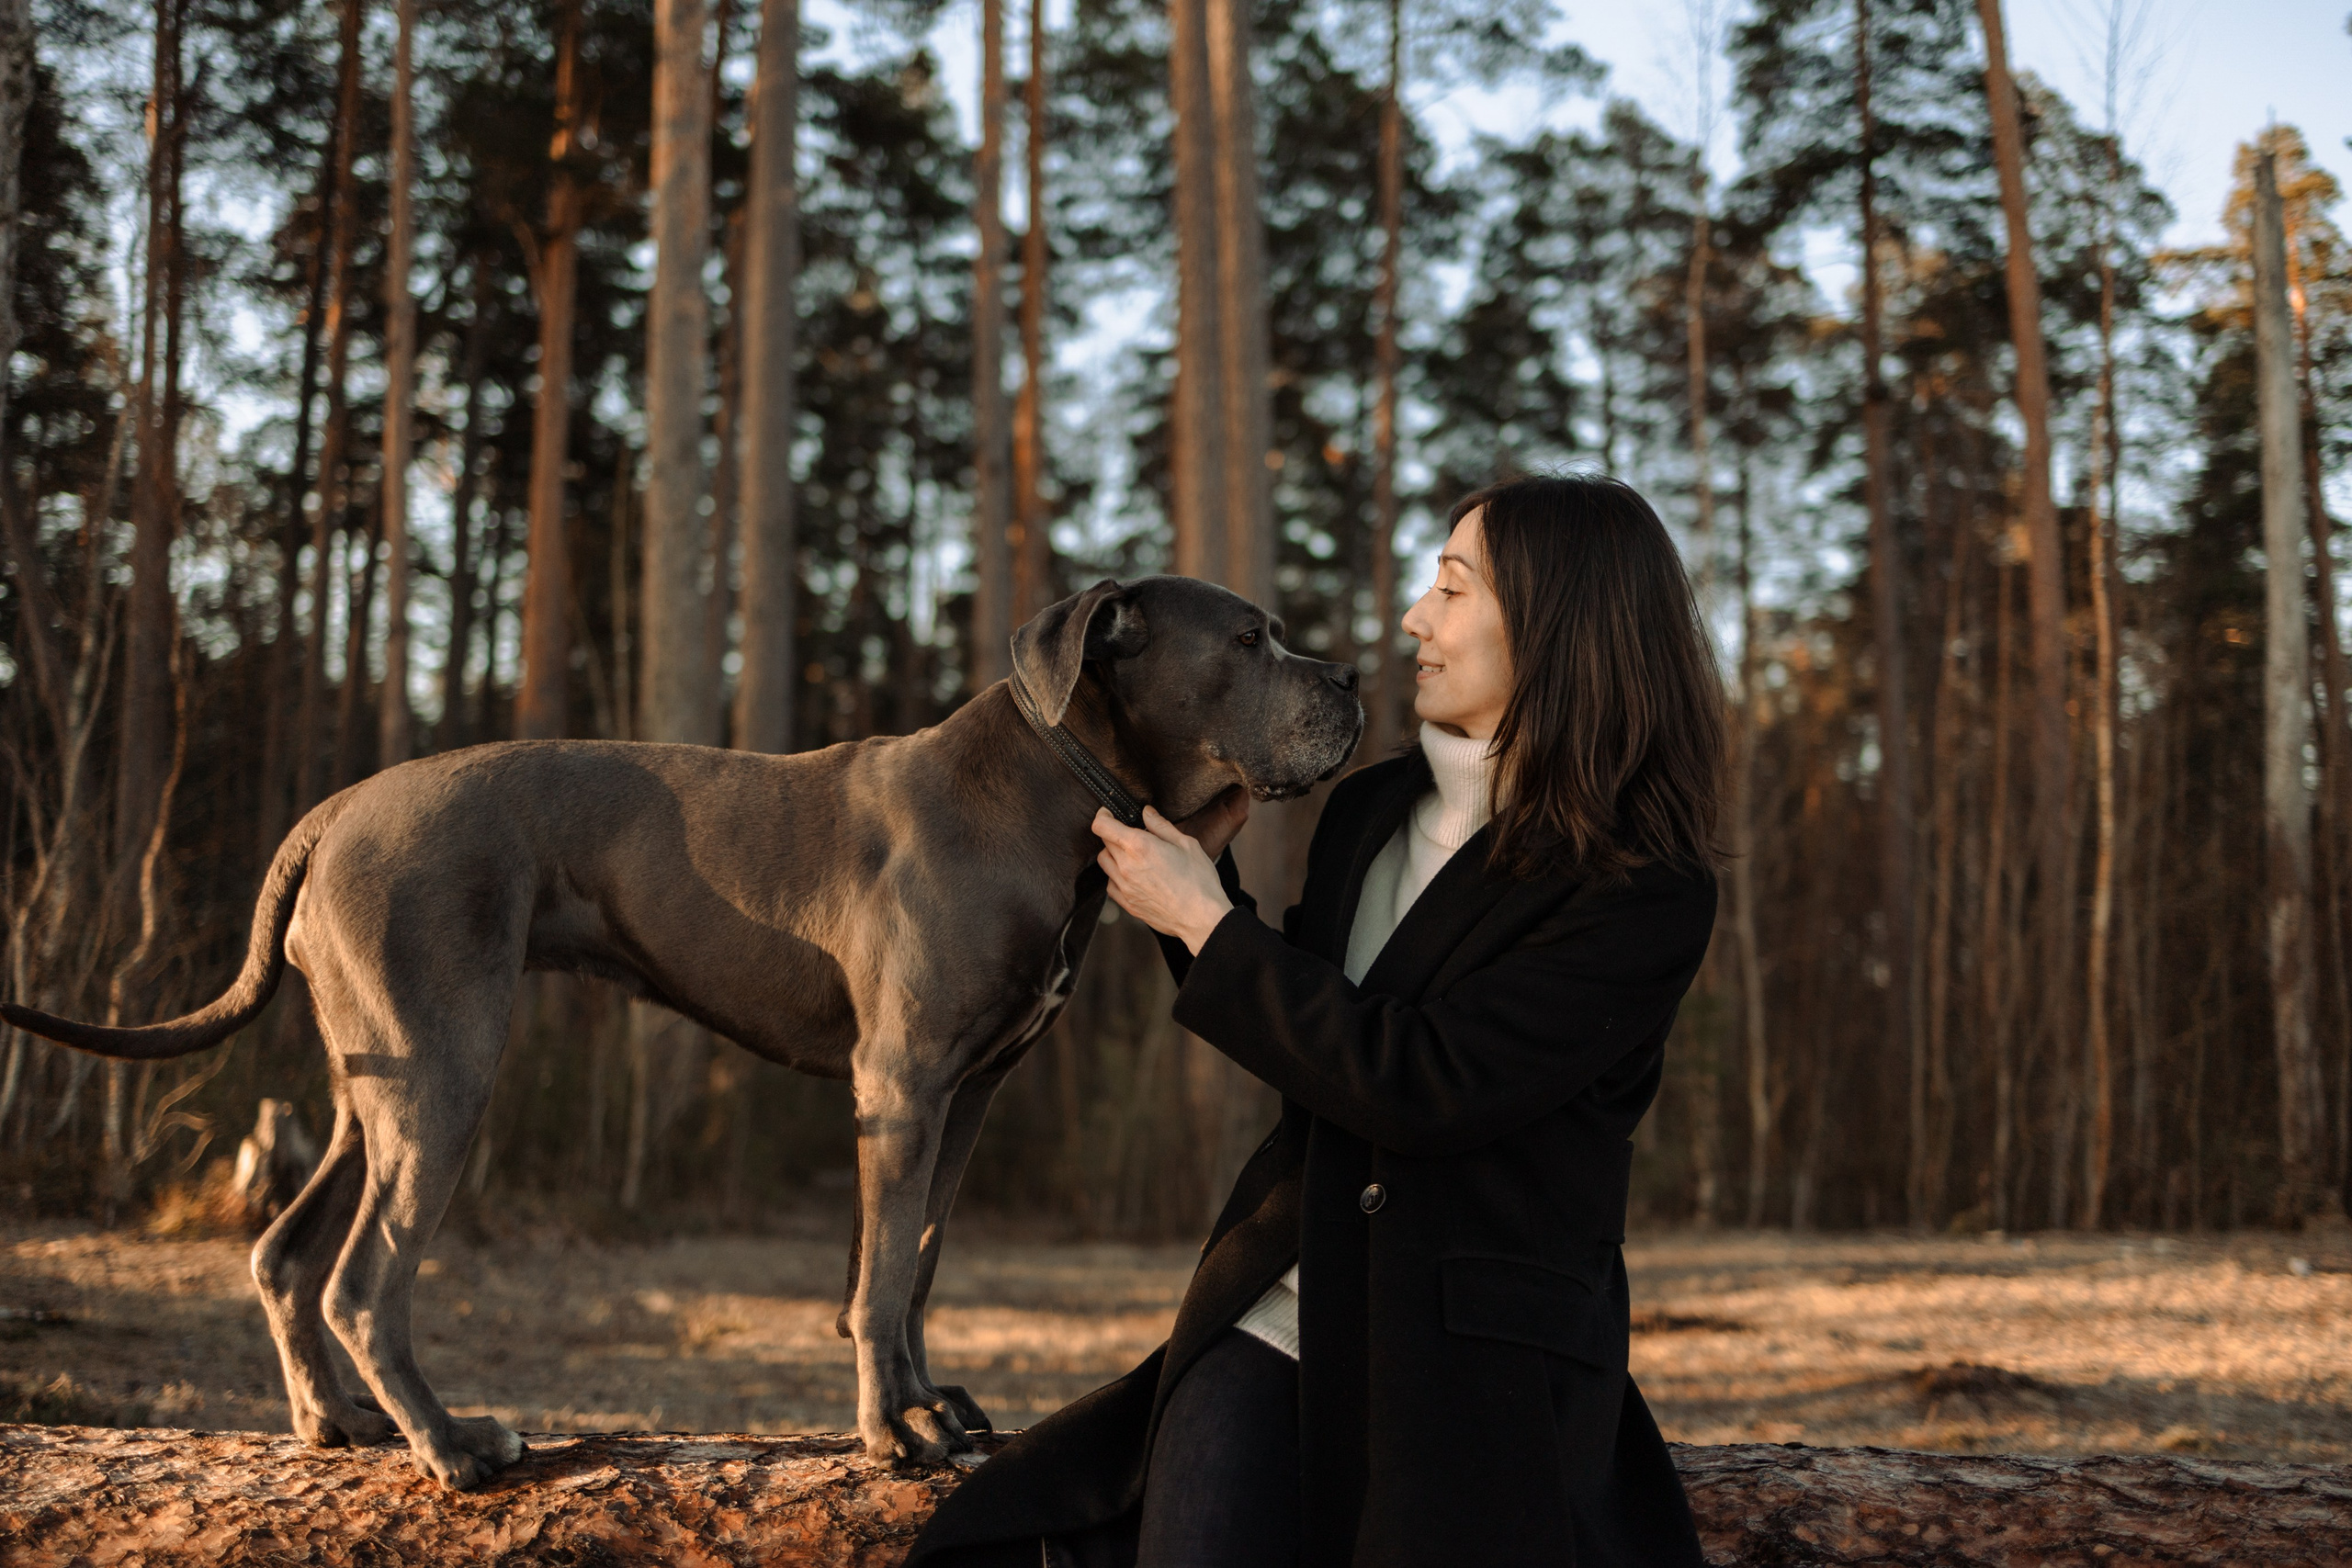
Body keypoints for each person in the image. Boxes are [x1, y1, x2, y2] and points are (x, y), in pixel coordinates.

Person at [906, 473, 1723, 1568]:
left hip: (1480, 1376)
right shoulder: (1371, 811)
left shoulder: (1641, 886)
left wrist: (1209, 928)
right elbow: (1318, 1045)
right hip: (1278, 1309)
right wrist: (1203, 899)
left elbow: (1427, 1084)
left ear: (1557, 623)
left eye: (1452, 589)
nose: (1414, 619)